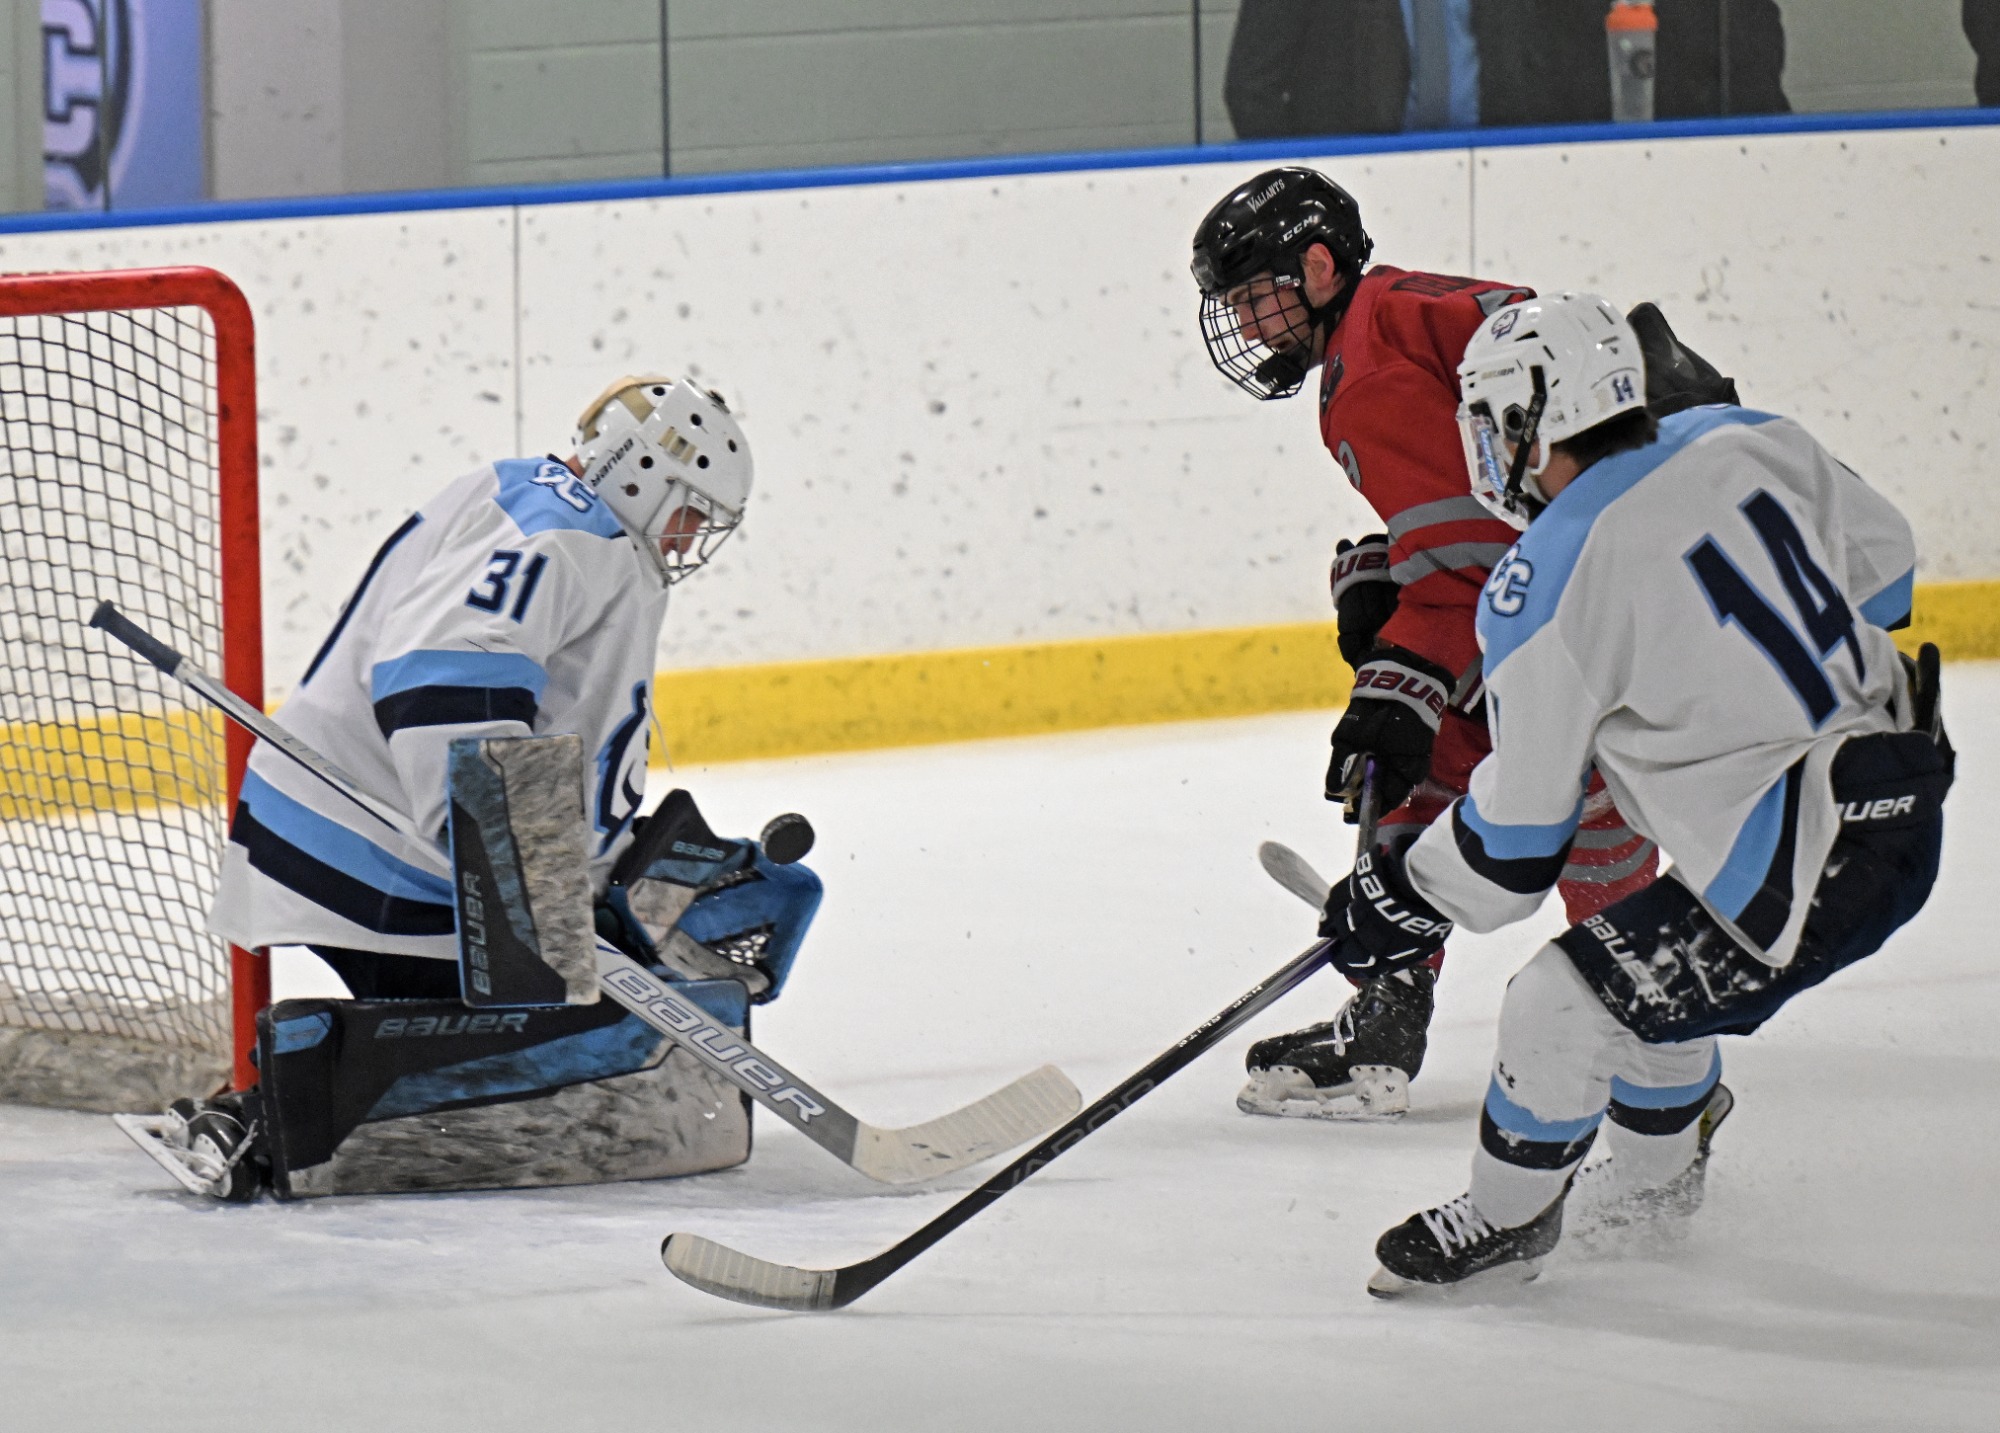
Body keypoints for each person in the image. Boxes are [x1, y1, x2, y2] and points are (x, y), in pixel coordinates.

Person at [1312, 293, 1950, 1294]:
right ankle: (1658, 1189)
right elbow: (1884, 564)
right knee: (1635, 971)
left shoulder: (1544, 577)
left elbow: (1515, 844)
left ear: (1523, 418)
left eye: (1483, 421)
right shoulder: (1746, 434)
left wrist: (1397, 892)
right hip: (1899, 786)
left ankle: (1505, 1223)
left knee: (1552, 1007)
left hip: (1809, 864)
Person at [1191, 167, 1662, 1119]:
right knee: (1449, 765)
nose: (1246, 328)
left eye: (1254, 299)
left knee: (1458, 762)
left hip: (1587, 623)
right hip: (1618, 586)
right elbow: (1486, 512)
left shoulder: (1365, 370)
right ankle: (1629, 1033)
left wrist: (1398, 674)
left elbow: (1474, 559)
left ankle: (1648, 1043)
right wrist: (1386, 564)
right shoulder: (1397, 308)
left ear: (1317, 268)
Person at [209, 373, 814, 1004]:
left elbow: (549, 732)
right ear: (640, 472)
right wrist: (536, 899)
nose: (690, 539)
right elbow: (443, 688)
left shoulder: (564, 520)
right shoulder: (562, 535)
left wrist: (623, 873)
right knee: (565, 1078)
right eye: (690, 511)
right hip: (389, 868)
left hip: (411, 861)